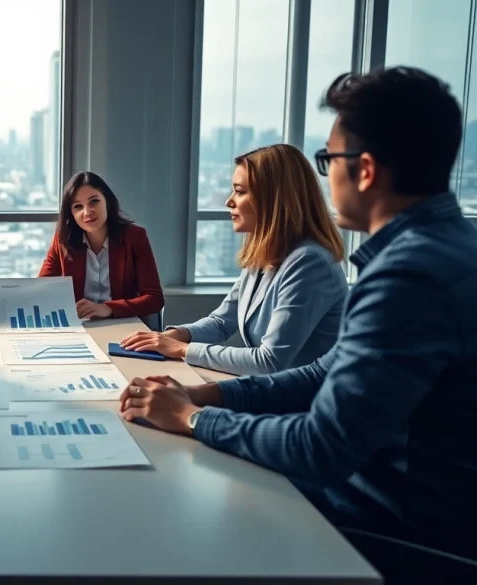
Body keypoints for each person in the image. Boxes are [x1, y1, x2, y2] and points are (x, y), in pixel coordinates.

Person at [119, 67, 477, 562]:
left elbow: (320, 447)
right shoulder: (446, 250)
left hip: (396, 528)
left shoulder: (410, 277)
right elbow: (321, 372)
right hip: (393, 501)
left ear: (366, 170)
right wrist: (209, 392)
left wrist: (195, 419)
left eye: (329, 160)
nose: (325, 177)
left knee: (179, 516)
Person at [122, 144, 347, 375]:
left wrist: (182, 349)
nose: (229, 201)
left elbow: (269, 361)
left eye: (240, 191)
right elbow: (222, 322)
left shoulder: (309, 262)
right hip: (271, 392)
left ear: (273, 199)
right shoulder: (265, 253)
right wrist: (174, 336)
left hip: (303, 404)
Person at [38, 171, 164, 326]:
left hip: (123, 324)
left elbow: (155, 299)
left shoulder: (135, 237)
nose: (87, 212)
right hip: (80, 327)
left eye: (94, 201)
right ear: (71, 213)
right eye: (78, 206)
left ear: (107, 202)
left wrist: (108, 308)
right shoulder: (63, 240)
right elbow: (41, 292)